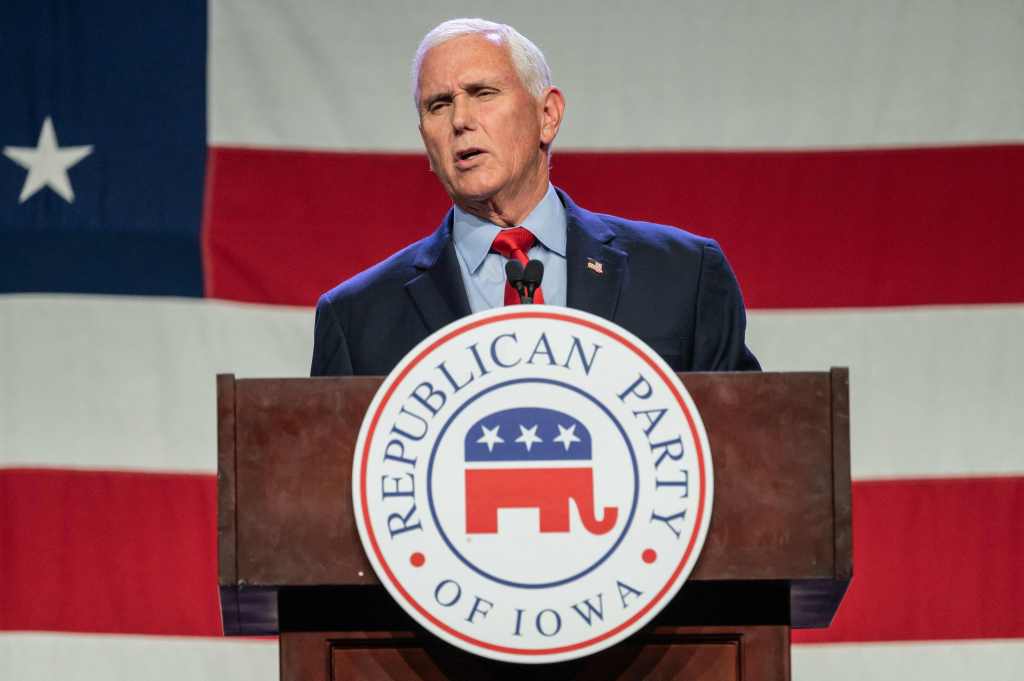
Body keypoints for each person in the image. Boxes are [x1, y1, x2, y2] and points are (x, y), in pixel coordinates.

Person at [311, 18, 759, 376]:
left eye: (483, 93)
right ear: (425, 140)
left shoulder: (684, 275)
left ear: (548, 116)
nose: (460, 120)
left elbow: (748, 453)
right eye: (438, 105)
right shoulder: (357, 317)